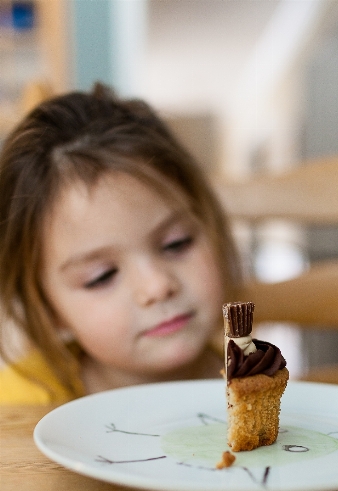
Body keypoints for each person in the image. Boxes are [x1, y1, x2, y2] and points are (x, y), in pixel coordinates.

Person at [0, 84, 240, 404]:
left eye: (176, 244)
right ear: (49, 311)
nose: (156, 286)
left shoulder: (257, 380)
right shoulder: (15, 407)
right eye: (101, 276)